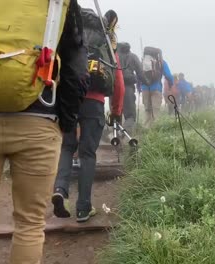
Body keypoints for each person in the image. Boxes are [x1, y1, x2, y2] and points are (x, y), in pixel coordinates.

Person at [0, 0, 88, 263]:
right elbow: (77, 69)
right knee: (30, 224)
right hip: (39, 119)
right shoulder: (58, 3)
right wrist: (64, 122)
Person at [52, 9, 125, 223]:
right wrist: (116, 111)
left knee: (67, 146)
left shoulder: (72, 36)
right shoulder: (106, 41)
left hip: (71, 98)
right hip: (94, 102)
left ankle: (60, 189)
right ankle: (83, 208)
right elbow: (118, 80)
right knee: (87, 153)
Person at [117, 42, 146, 134]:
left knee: (115, 114)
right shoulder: (133, 56)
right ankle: (125, 135)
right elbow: (140, 73)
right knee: (130, 116)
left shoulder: (114, 55)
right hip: (127, 87)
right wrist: (146, 82)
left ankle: (115, 135)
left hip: (114, 88)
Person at [141, 47, 174, 126]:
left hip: (145, 89)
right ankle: (154, 130)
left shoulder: (142, 62)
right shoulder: (161, 62)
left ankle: (146, 129)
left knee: (147, 111)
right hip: (156, 88)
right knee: (155, 112)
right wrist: (170, 84)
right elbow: (169, 76)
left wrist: (139, 88)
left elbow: (139, 76)